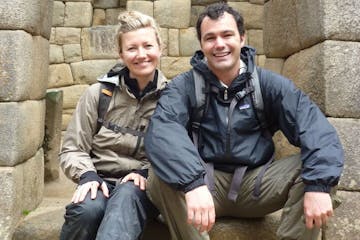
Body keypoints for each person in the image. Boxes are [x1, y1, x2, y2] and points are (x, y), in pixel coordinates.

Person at [144, 2, 344, 240]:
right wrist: (192, 183)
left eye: (227, 35)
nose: (219, 44)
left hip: (257, 187)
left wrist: (319, 186)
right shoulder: (184, 86)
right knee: (160, 175)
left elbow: (317, 130)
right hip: (206, 184)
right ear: (201, 44)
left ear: (242, 37)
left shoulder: (269, 84)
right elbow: (163, 131)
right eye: (210, 38)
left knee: (318, 167)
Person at [59, 10, 167, 240]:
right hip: (99, 180)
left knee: (125, 203)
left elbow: (177, 152)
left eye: (148, 46)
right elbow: (72, 148)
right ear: (121, 53)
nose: (141, 55)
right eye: (131, 48)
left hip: (142, 186)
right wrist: (87, 175)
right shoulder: (98, 94)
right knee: (86, 210)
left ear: (160, 48)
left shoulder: (172, 99)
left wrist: (147, 173)